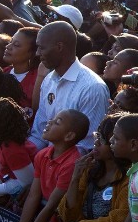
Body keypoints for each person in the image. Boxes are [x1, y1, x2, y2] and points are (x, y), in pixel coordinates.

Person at [1, 110, 89, 222]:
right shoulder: (42, 155)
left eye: (57, 122)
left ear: (69, 136)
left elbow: (51, 205)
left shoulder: (71, 163)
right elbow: (34, 195)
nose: (49, 122)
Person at [29, 21, 110, 151]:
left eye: (41, 47)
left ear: (59, 47)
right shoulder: (49, 80)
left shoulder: (92, 88)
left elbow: (87, 147)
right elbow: (39, 133)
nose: (37, 53)